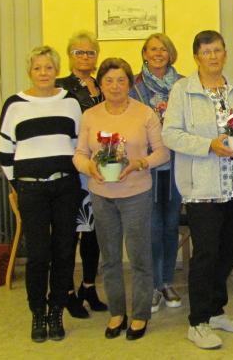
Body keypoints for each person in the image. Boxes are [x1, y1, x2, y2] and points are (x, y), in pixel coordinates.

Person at [162, 30, 233, 350]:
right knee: (206, 254)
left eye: (217, 50)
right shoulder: (182, 90)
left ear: (225, 53)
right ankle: (197, 322)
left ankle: (216, 312)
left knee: (228, 251)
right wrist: (209, 146)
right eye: (206, 52)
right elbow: (170, 135)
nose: (213, 56)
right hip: (202, 188)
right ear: (196, 57)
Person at [73, 57, 170, 341]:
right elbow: (79, 154)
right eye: (108, 80)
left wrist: (139, 163)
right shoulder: (90, 116)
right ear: (100, 83)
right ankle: (118, 312)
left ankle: (140, 315)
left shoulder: (145, 113)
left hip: (136, 194)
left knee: (140, 257)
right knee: (111, 259)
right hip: (102, 195)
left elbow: (161, 153)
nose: (115, 86)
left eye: (121, 80)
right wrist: (89, 167)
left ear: (130, 83)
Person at [0, 46, 84, 342]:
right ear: (29, 71)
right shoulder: (15, 104)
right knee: (37, 254)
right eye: (38, 68)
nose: (44, 73)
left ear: (56, 70)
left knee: (63, 251)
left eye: (49, 67)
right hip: (30, 188)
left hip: (65, 187)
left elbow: (78, 144)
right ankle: (37, 313)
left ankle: (56, 311)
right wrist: (18, 185)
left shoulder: (70, 102)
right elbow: (4, 150)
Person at [129, 33, 185, 313]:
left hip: (177, 163)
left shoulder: (184, 83)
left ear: (171, 53)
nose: (158, 53)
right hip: (147, 165)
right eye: (153, 49)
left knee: (171, 223)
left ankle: (167, 281)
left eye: (164, 48)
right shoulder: (134, 86)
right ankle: (151, 284)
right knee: (151, 227)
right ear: (145, 54)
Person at [55, 31, 108, 319]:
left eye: (90, 53)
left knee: (94, 233)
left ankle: (88, 286)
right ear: (69, 55)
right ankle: (66, 292)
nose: (85, 57)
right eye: (79, 52)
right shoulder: (60, 87)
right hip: (73, 169)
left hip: (100, 171)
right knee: (71, 233)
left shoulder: (103, 86)